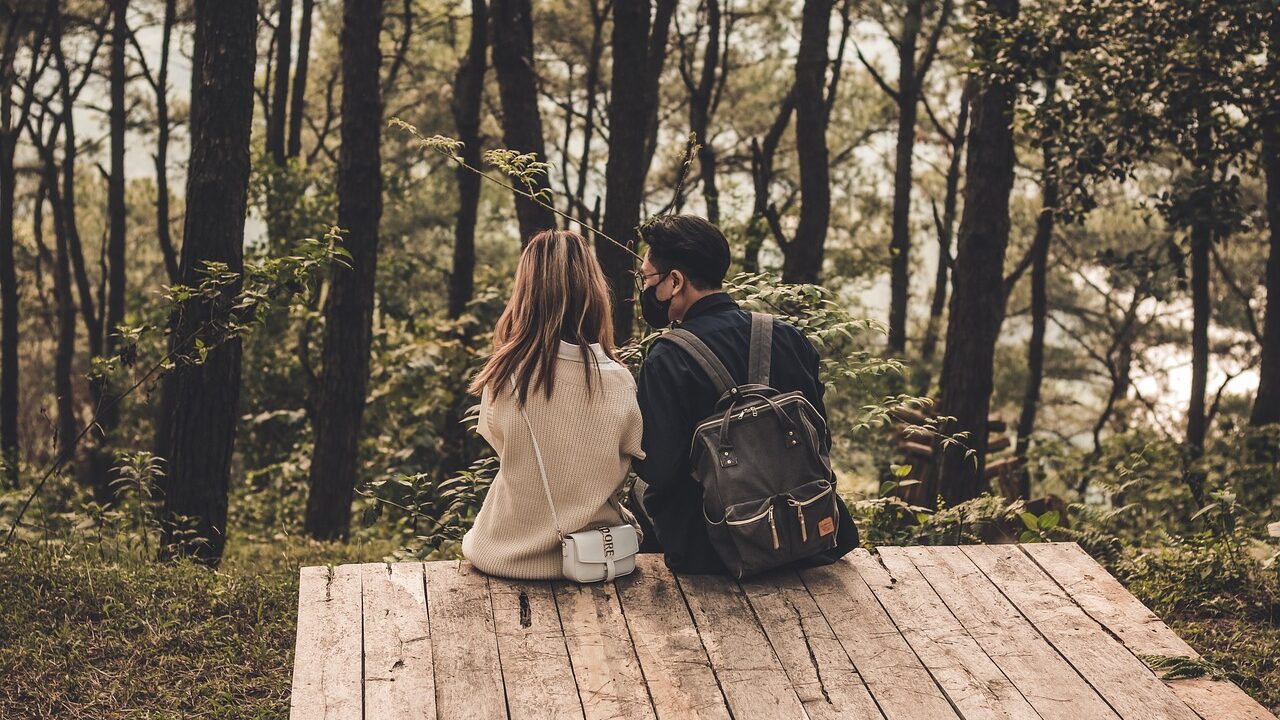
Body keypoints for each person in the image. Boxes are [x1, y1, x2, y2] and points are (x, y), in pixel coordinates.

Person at [629, 214, 858, 575]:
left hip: (713, 550)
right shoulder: (787, 336)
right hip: (809, 532)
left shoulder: (668, 357)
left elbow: (659, 469)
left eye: (649, 279)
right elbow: (821, 438)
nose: (647, 291)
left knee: (642, 489)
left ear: (675, 281)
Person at [461, 229, 645, 580]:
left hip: (503, 555)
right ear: (593, 291)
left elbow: (505, 449)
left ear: (526, 293)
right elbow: (630, 456)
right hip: (597, 556)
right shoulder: (620, 381)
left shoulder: (505, 375)